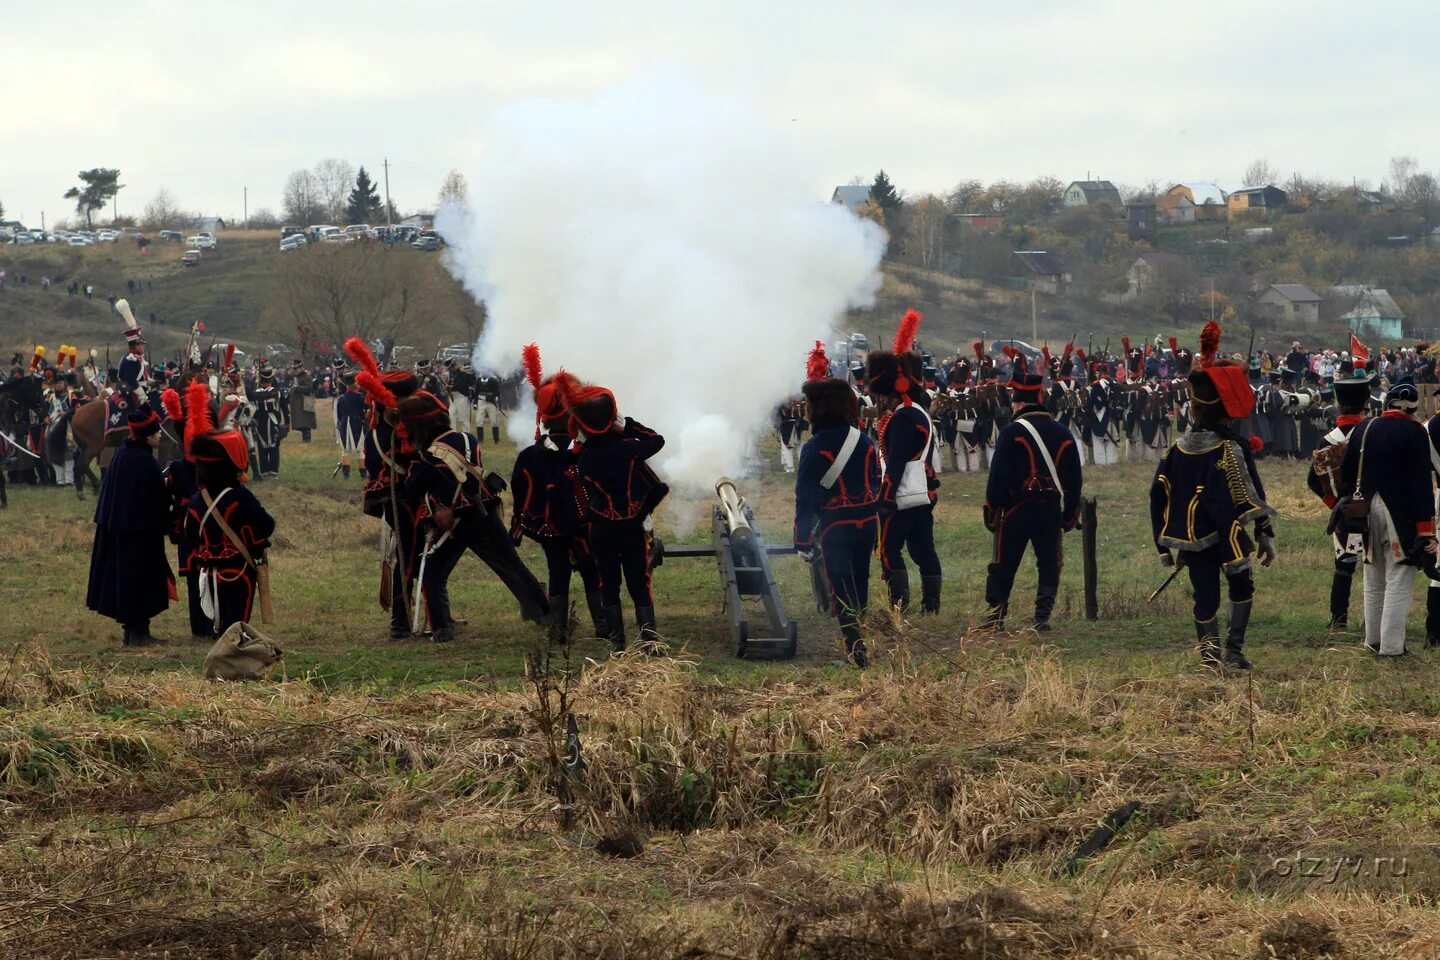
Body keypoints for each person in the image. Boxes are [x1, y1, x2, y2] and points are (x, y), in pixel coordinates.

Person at [1150, 321, 1277, 669]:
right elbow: (1249, 493)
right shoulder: (1231, 449)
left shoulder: (1174, 451)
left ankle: (1211, 659)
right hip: (1227, 535)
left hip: (1191, 537)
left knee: (1204, 596)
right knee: (1241, 588)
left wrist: (1165, 543)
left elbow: (1157, 497)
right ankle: (1233, 654)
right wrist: (1264, 531)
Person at [396, 390, 549, 642]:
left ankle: (442, 628)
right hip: (485, 511)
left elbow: (410, 491)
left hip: (455, 522)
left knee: (433, 574)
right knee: (512, 565)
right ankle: (545, 615)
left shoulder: (431, 457)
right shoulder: (468, 440)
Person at [560, 376, 668, 652]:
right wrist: (628, 425)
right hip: (631, 526)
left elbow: (575, 454)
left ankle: (617, 643)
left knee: (608, 582)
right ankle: (649, 638)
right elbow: (657, 440)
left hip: (600, 528)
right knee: (639, 581)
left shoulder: (584, 458)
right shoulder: (630, 448)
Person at [794, 342, 882, 667]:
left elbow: (805, 497)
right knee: (860, 582)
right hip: (867, 524)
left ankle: (856, 651)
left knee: (841, 588)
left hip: (835, 528)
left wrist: (802, 539)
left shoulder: (814, 447)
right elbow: (876, 481)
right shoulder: (866, 441)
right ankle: (861, 639)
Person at [510, 344, 605, 643]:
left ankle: (560, 632)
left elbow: (521, 491)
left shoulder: (530, 455)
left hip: (552, 529)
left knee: (559, 573)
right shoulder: (593, 450)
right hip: (584, 526)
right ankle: (603, 629)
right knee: (592, 573)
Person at [982, 358, 1084, 631]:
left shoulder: (1012, 432)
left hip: (1016, 510)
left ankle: (996, 616)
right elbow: (1074, 480)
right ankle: (1042, 617)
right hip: (1050, 509)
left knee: (1005, 562)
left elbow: (998, 476)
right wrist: (1070, 512)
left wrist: (992, 507)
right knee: (1049, 562)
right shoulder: (1062, 433)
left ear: (1018, 404)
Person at [1339, 379, 1436, 656]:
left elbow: (1346, 472)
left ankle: (1373, 640)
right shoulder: (1415, 431)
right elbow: (1420, 484)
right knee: (1400, 575)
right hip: (1399, 512)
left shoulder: (1363, 427)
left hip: (1366, 509)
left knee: (1373, 576)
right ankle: (1392, 648)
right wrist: (1426, 529)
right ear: (1411, 408)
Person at [347, 337, 423, 639]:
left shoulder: (379, 429)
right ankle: (400, 622)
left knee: (413, 558)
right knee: (408, 559)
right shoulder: (398, 434)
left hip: (396, 501)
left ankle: (429, 615)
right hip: (405, 501)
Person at [867, 309, 942, 614]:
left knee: (888, 550)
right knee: (924, 550)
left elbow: (896, 463)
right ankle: (931, 605)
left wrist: (884, 498)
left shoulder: (902, 418)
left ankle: (900, 605)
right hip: (922, 492)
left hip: (901, 496)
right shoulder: (918, 412)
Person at [185, 398, 275, 637]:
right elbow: (267, 526)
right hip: (238, 571)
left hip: (208, 571)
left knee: (217, 625)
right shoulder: (240, 497)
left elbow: (191, 534)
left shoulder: (196, 500)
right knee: (236, 626)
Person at [85, 404, 173, 646]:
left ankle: (133, 631)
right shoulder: (142, 461)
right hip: (138, 533)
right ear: (148, 434)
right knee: (138, 580)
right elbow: (155, 498)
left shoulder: (123, 454)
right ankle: (138, 633)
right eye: (157, 432)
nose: (160, 435)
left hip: (123, 529)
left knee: (129, 580)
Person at [1306, 366, 1373, 632]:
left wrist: (1335, 504)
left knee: (1343, 567)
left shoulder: (1327, 438)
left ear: (1338, 404)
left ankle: (1338, 620)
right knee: (1374, 568)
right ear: (1366, 402)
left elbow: (1313, 481)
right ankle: (1372, 621)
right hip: (1373, 506)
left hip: (1342, 509)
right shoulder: (1372, 432)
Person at [250, 361, 287, 479]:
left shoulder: (255, 393)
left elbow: (254, 411)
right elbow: (284, 408)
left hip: (261, 423)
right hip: (274, 422)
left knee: (262, 448)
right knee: (274, 448)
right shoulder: (278, 392)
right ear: (271, 378)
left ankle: (265, 471)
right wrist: (287, 422)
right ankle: (273, 471)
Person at [288, 359, 316, 443]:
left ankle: (307, 438)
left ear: (301, 368)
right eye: (294, 369)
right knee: (300, 422)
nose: (295, 370)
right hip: (297, 403)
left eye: (297, 368)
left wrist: (298, 388)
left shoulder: (306, 377)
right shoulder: (295, 377)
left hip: (305, 402)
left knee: (306, 422)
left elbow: (309, 388)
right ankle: (305, 438)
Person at [447, 359, 476, 433]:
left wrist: (451, 386)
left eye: (451, 367)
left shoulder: (463, 373)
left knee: (463, 419)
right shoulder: (452, 373)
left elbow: (461, 385)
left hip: (461, 397)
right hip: (453, 398)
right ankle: (452, 434)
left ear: (455, 365)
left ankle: (467, 435)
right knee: (451, 417)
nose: (450, 369)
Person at [475, 370, 503, 444]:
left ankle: (496, 439)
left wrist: (491, 396)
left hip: (491, 402)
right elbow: (476, 392)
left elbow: (497, 392)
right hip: (481, 401)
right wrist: (475, 403)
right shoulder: (478, 380)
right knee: (479, 421)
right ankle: (480, 439)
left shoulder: (494, 380)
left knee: (494, 421)